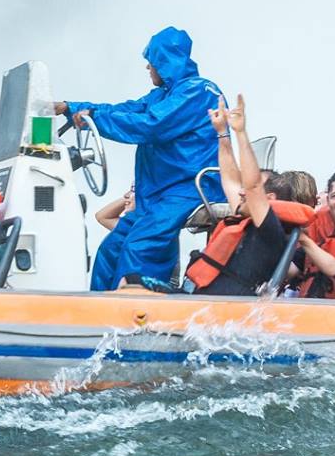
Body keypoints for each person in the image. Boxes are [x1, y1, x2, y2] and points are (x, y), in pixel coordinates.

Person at [56, 26, 223, 290]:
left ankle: (134, 319)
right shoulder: (164, 95)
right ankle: (96, 321)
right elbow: (128, 109)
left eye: (151, 63)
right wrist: (73, 108)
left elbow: (150, 125)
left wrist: (95, 118)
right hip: (157, 194)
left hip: (188, 189)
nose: (148, 68)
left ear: (165, 63)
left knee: (138, 249)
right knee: (110, 250)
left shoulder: (198, 92)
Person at [184, 96, 308, 296]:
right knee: (132, 281)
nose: (241, 192)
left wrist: (240, 133)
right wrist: (222, 133)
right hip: (200, 302)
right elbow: (232, 181)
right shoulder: (244, 214)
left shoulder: (270, 230)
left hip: (228, 311)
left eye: (250, 192)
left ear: (270, 198)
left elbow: (252, 186)